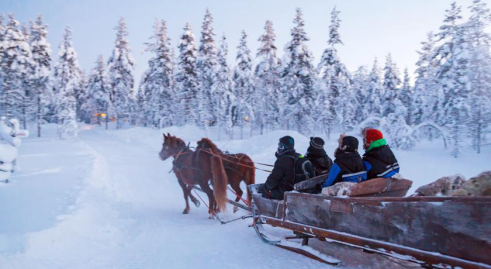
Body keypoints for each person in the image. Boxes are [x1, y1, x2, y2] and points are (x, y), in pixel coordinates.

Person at [262, 136, 298, 200]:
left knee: (264, 191)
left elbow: (272, 181)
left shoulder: (282, 160)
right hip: (295, 189)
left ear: (282, 147)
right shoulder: (297, 156)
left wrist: (265, 187)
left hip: (284, 192)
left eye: (280, 145)